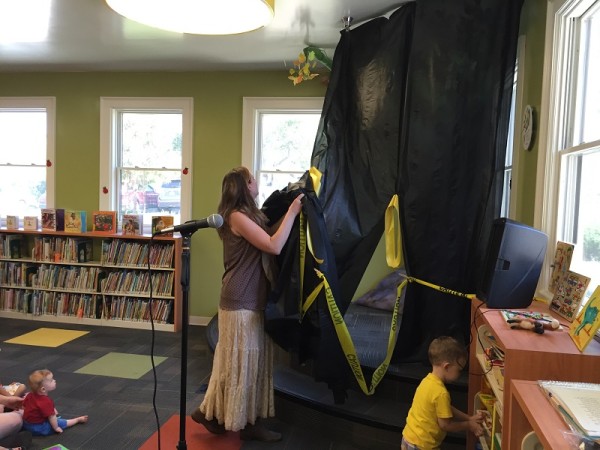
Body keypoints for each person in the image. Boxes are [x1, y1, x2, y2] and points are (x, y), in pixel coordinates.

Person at [191, 166, 304, 442]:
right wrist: (292, 212)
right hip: (240, 301)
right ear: (243, 186)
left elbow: (271, 232)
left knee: (241, 362)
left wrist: (293, 210)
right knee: (241, 363)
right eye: (251, 179)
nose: (256, 182)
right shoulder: (237, 217)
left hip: (249, 300)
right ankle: (240, 422)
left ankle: (215, 414)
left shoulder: (249, 216)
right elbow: (273, 245)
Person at [402, 336, 484, 450]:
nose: (459, 374)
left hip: (409, 438)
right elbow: (446, 425)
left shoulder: (427, 381)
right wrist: (468, 425)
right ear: (447, 366)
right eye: (459, 370)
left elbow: (446, 409)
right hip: (423, 445)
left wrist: (469, 418)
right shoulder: (441, 393)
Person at [22, 369, 88, 436]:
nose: (54, 381)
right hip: (39, 428)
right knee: (60, 422)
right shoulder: (45, 401)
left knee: (51, 411)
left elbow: (24, 406)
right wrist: (56, 428)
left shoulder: (30, 395)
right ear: (43, 389)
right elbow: (51, 417)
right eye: (51, 381)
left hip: (26, 424)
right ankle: (77, 420)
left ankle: (56, 417)